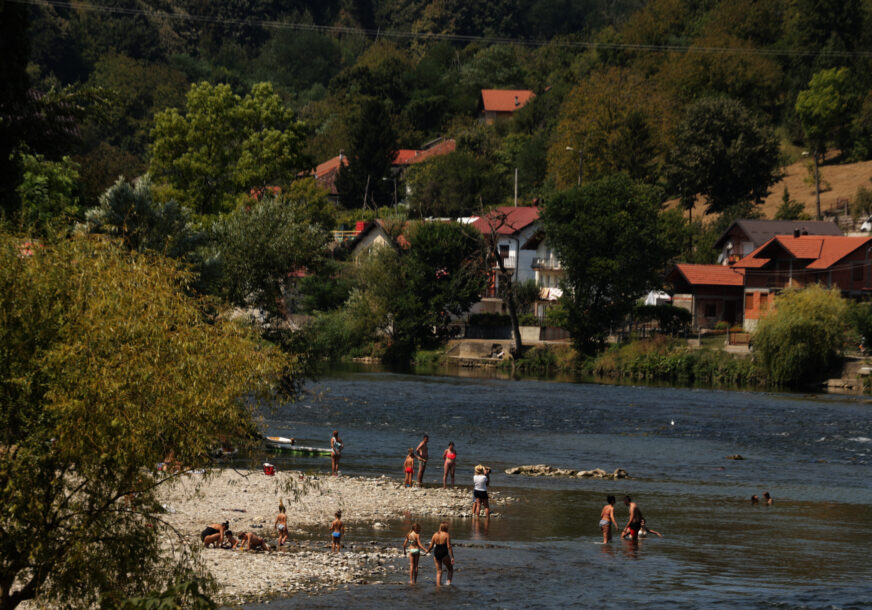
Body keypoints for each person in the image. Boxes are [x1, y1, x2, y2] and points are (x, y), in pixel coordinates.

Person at [425, 521, 454, 586]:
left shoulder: (435, 534)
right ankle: (448, 584)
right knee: (450, 568)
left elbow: (431, 546)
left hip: (436, 552)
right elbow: (449, 546)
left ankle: (438, 587)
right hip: (444, 552)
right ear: (446, 527)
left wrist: (427, 551)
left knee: (439, 571)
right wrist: (452, 557)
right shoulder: (447, 534)